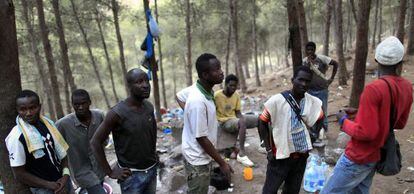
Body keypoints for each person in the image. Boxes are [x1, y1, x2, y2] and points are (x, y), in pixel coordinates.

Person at [321, 37, 413, 194]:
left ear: (377, 59)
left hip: (359, 156)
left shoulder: (373, 89)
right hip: (376, 155)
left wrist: (343, 121)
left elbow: (366, 132)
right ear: (400, 61)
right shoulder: (406, 87)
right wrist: (359, 112)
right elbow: (399, 123)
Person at [91, 68, 158, 194]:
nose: (145, 85)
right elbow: (95, 142)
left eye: (146, 81)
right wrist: (110, 172)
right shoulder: (116, 113)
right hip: (131, 176)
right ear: (129, 86)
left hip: (151, 170)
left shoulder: (149, 107)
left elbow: (152, 132)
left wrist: (153, 154)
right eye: (139, 82)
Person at [259, 66, 324, 194]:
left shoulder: (313, 102)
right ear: (293, 79)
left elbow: (321, 117)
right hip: (280, 156)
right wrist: (268, 149)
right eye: (300, 80)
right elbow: (261, 122)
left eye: (307, 81)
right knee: (270, 190)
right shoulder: (277, 101)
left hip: (301, 156)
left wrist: (315, 135)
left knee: (292, 190)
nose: (304, 84)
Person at [182, 53, 233, 194]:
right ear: (205, 75)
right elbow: (201, 138)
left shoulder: (205, 91)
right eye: (216, 69)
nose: (221, 72)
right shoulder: (197, 101)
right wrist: (222, 163)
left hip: (202, 156)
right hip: (197, 159)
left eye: (220, 68)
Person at [5, 90, 72, 194]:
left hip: (64, 182)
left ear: (39, 106)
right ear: (17, 110)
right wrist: (50, 185)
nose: (28, 113)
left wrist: (65, 176)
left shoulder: (48, 124)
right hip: (44, 189)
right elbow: (19, 173)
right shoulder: (16, 136)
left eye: (32, 108)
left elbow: (62, 153)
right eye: (23, 109)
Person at [56, 89, 106, 194]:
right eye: (76, 104)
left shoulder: (99, 116)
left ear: (89, 102)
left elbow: (105, 139)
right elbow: (56, 146)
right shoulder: (63, 124)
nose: (80, 107)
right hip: (81, 172)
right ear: (72, 105)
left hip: (100, 168)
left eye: (83, 103)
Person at [214, 74, 258, 167]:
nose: (233, 88)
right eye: (231, 85)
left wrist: (242, 122)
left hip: (234, 119)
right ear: (225, 85)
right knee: (241, 122)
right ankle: (242, 153)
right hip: (224, 122)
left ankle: (264, 146)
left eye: (235, 86)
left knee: (260, 118)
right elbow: (212, 112)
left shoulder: (236, 95)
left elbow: (238, 112)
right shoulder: (217, 96)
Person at [303, 41, 338, 135]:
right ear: (306, 51)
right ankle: (314, 132)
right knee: (312, 111)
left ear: (314, 50)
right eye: (308, 49)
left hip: (322, 89)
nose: (310, 51)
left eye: (312, 49)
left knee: (323, 110)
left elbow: (335, 63)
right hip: (310, 91)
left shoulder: (322, 58)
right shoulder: (304, 61)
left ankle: (324, 130)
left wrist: (331, 78)